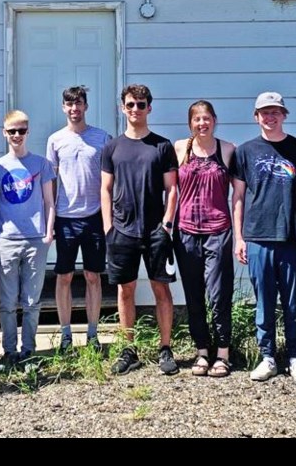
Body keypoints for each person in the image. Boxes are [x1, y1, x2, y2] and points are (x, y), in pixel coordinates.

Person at [232, 92, 296, 385]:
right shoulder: (245, 152)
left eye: (275, 112)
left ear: (284, 115)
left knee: (293, 303)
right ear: (255, 116)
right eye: (264, 112)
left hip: (292, 238)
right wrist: (239, 238)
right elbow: (238, 197)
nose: (270, 117)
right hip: (258, 237)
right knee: (264, 301)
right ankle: (268, 356)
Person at [100, 84, 179, 376]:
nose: (136, 109)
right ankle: (128, 349)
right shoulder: (112, 147)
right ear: (123, 108)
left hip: (156, 231)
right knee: (125, 290)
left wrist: (167, 225)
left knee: (161, 288)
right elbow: (105, 189)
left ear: (150, 108)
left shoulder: (162, 145)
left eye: (141, 104)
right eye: (131, 104)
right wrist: (109, 227)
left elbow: (172, 189)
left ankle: (165, 348)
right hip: (122, 232)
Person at [45, 86, 112, 353]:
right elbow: (50, 182)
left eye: (79, 103)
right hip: (65, 218)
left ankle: (93, 334)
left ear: (86, 106)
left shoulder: (102, 138)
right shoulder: (55, 140)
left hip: (94, 216)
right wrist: (50, 219)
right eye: (70, 104)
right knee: (64, 277)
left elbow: (110, 179)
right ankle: (65, 335)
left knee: (93, 276)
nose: (75, 109)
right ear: (64, 107)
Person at [173, 100, 237, 378]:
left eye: (207, 118)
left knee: (219, 294)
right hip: (185, 231)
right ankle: (201, 350)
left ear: (214, 120)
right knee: (194, 294)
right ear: (190, 123)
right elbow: (170, 189)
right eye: (197, 119)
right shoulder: (180, 148)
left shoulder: (228, 150)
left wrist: (240, 231)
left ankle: (222, 353)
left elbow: (240, 195)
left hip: (218, 231)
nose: (202, 123)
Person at [0, 110, 56, 370]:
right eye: (12, 131)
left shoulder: (40, 165)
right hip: (7, 239)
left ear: (28, 132)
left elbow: (49, 201)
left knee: (31, 300)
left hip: (36, 239)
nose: (17, 135)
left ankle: (28, 350)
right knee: (7, 301)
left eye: (21, 131)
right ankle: (9, 352)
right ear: (5, 133)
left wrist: (48, 232)